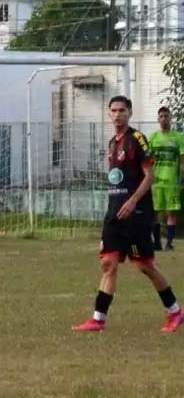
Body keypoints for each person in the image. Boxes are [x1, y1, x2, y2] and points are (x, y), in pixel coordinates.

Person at [72, 96, 184, 333]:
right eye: (113, 110)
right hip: (115, 213)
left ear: (130, 113)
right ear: (109, 113)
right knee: (108, 263)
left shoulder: (137, 139)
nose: (117, 114)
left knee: (145, 266)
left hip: (137, 214)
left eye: (122, 110)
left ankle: (175, 311)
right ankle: (98, 319)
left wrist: (133, 201)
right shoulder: (113, 143)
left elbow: (149, 176)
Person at [149, 106, 184, 250]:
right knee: (155, 212)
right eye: (161, 116)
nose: (164, 119)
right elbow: (148, 161)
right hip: (156, 182)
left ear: (170, 118)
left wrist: (182, 178)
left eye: (166, 116)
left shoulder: (178, 137)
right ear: (158, 119)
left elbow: (182, 160)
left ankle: (169, 244)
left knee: (171, 212)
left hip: (171, 182)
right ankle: (156, 243)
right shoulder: (153, 138)